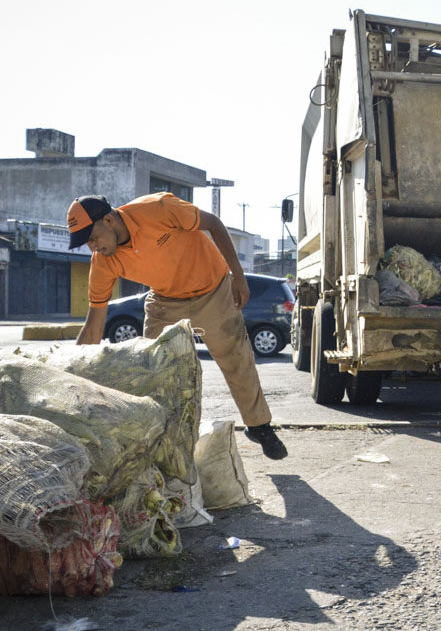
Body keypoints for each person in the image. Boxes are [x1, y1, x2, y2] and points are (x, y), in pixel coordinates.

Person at [68, 193, 288, 460]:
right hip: (164, 302)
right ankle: (160, 439)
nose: (93, 248)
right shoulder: (103, 262)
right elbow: (94, 325)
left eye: (93, 238)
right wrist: (70, 376)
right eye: (86, 244)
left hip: (213, 290)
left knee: (236, 359)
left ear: (108, 219)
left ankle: (259, 426)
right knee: (151, 370)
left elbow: (214, 224)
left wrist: (238, 277)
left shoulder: (158, 208)